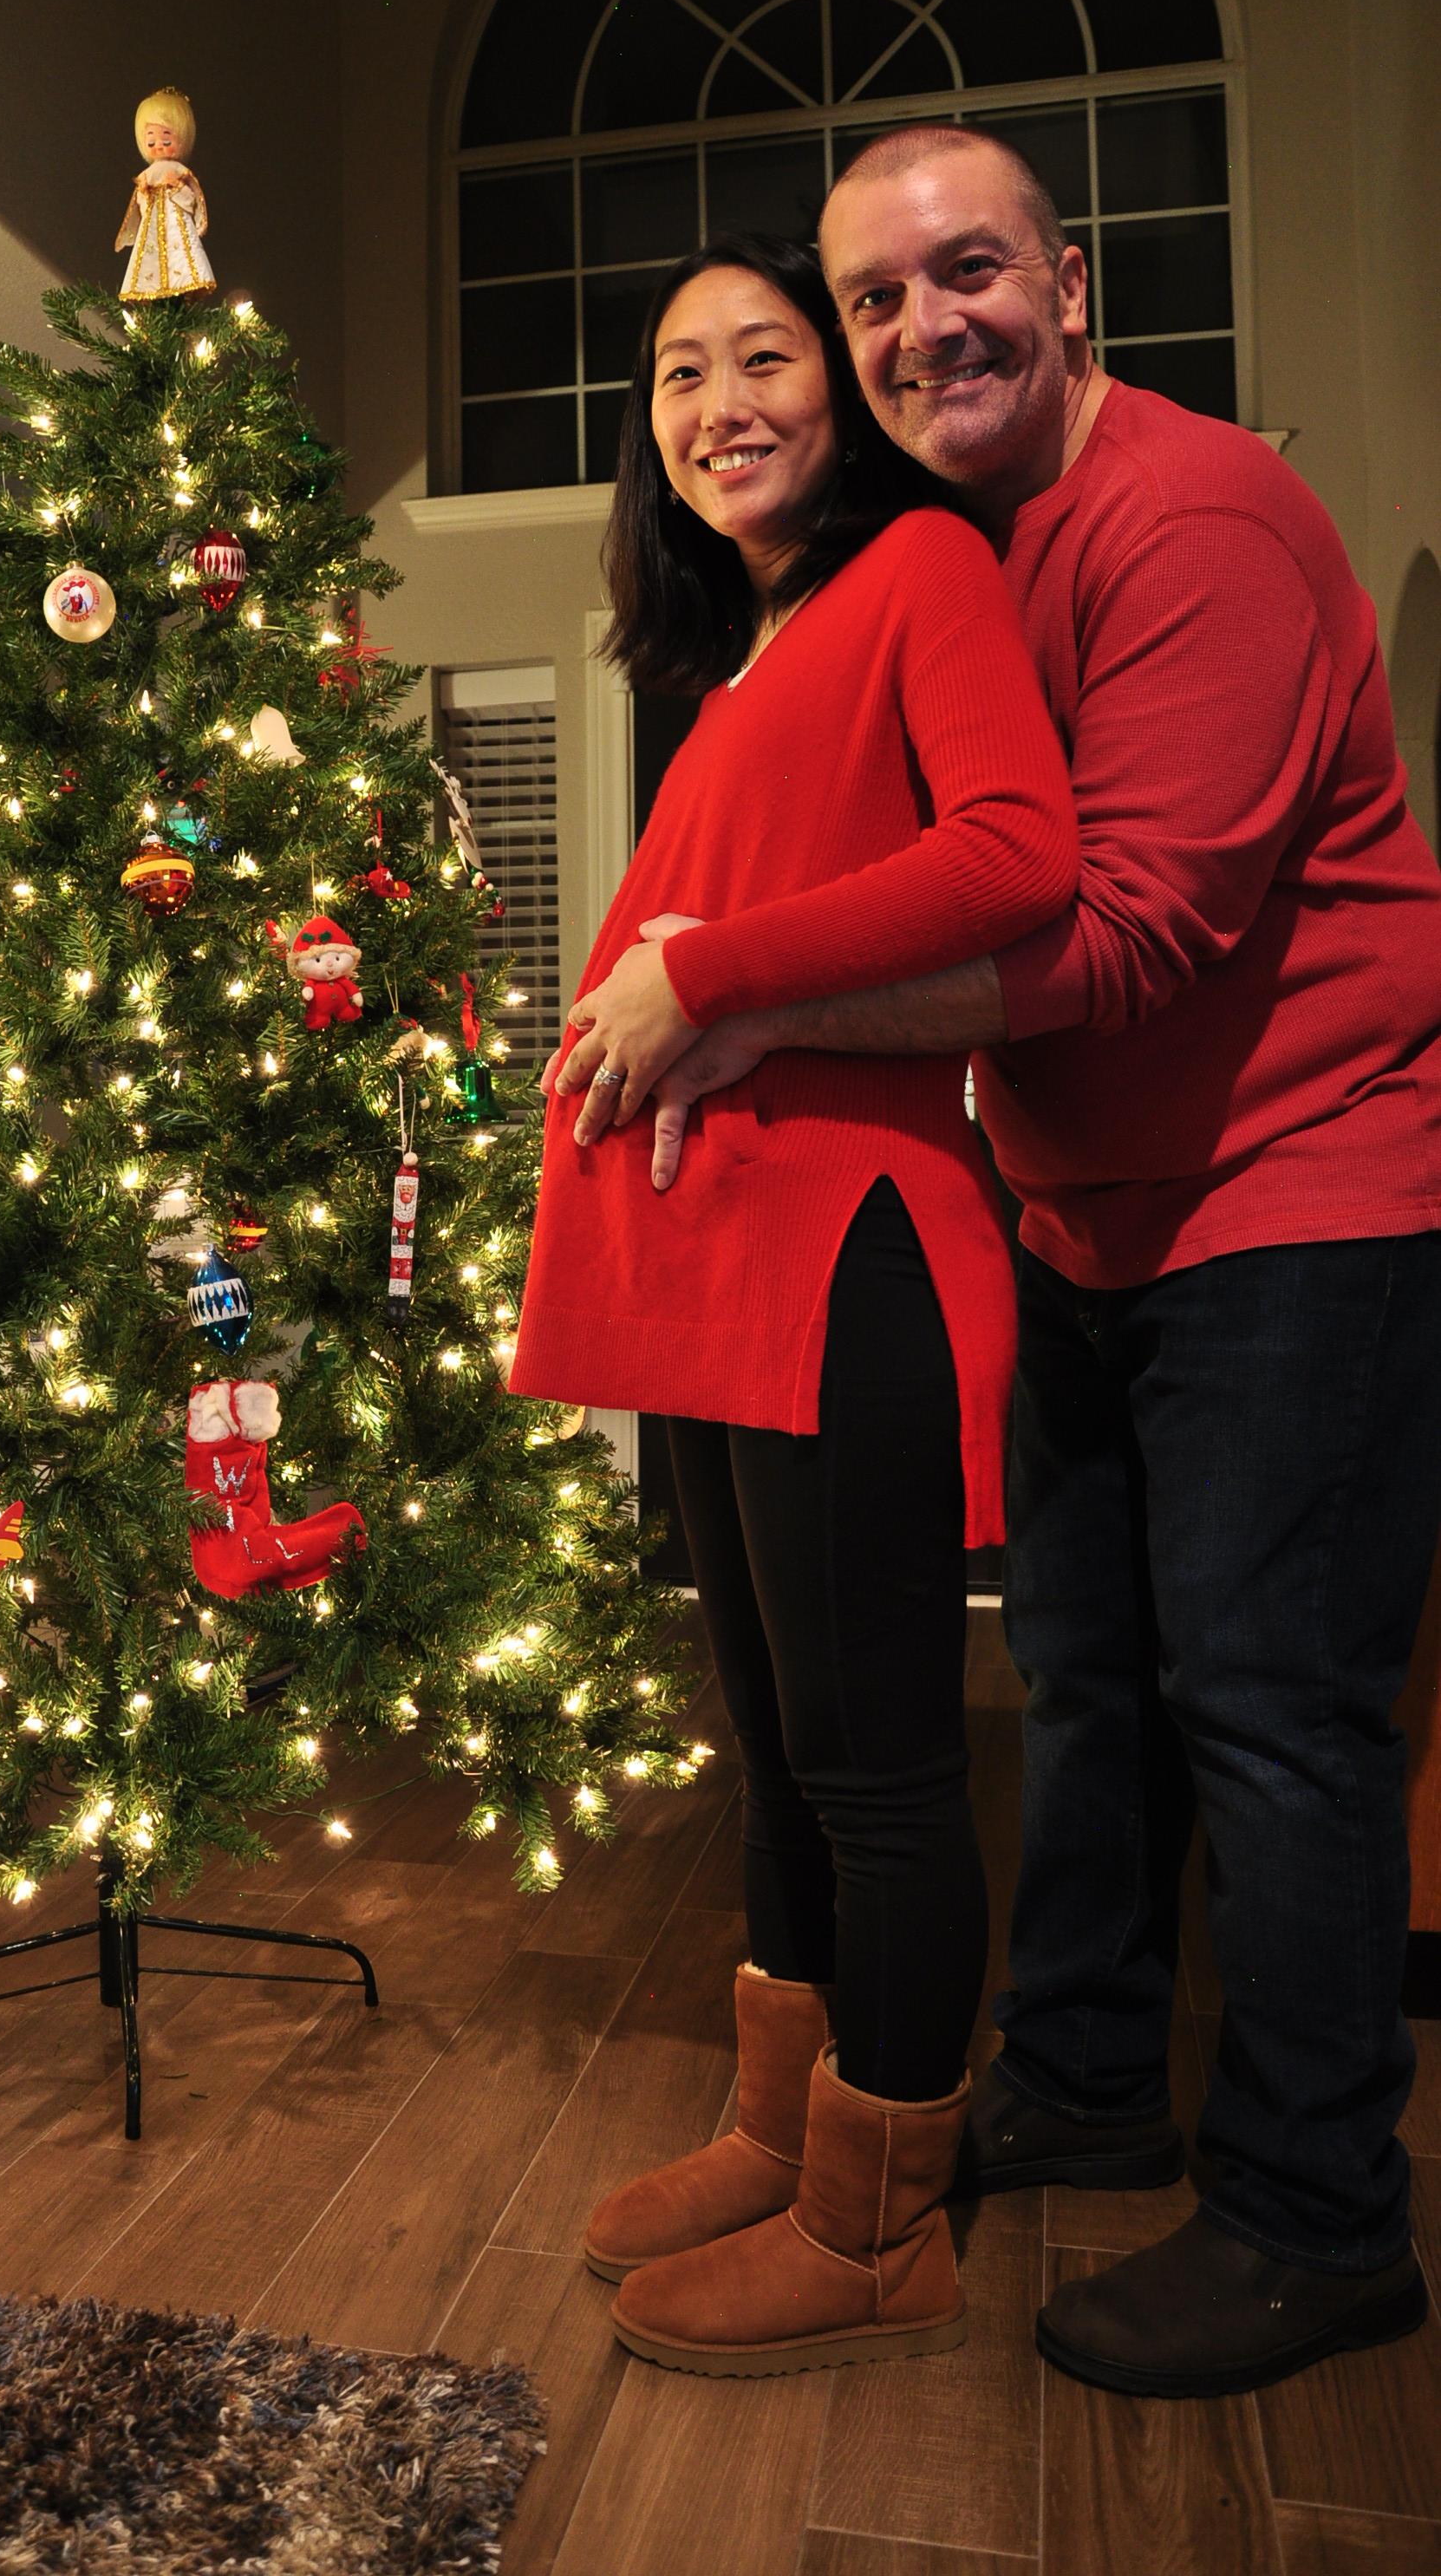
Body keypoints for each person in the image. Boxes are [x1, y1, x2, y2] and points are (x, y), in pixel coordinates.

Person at [571, 126, 1441, 2398]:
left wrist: (737, 997)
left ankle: (1319, 2216)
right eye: (873, 297)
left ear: (1067, 281)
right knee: (1084, 1680)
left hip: (1295, 1185)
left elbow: (1114, 925)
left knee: (1272, 1708)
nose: (917, 326)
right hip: (1083, 1204)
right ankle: (1071, 2077)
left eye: (962, 272)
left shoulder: (1189, 523)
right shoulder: (944, 551)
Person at [510, 231, 1079, 2378]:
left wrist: (710, 979)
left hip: (845, 1251)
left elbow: (1019, 855)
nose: (720, 403)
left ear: (839, 391)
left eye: (763, 355)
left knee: (878, 1766)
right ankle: (781, 2132)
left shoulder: (920, 574)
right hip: (714, 1266)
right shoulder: (738, 656)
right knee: (772, 1755)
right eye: (679, 374)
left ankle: (880, 2224)